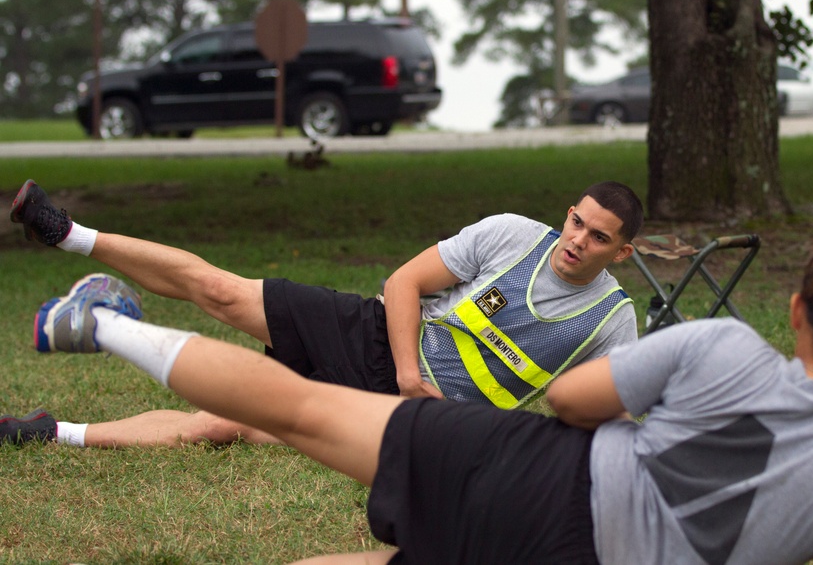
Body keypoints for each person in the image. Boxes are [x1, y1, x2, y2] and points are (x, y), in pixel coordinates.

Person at [28, 237, 813, 563]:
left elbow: (570, 401)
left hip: (535, 473)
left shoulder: (722, 344)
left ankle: (100, 327)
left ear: (794, 311)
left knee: (302, 410)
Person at [2, 179, 641, 448]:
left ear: (622, 251)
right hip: (375, 341)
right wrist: (406, 372)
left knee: (220, 428)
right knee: (222, 293)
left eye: (598, 237)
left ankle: (45, 433)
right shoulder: (512, 235)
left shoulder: (612, 319)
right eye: (576, 221)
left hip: (410, 423)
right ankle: (68, 234)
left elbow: (614, 415)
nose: (577, 241)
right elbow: (403, 283)